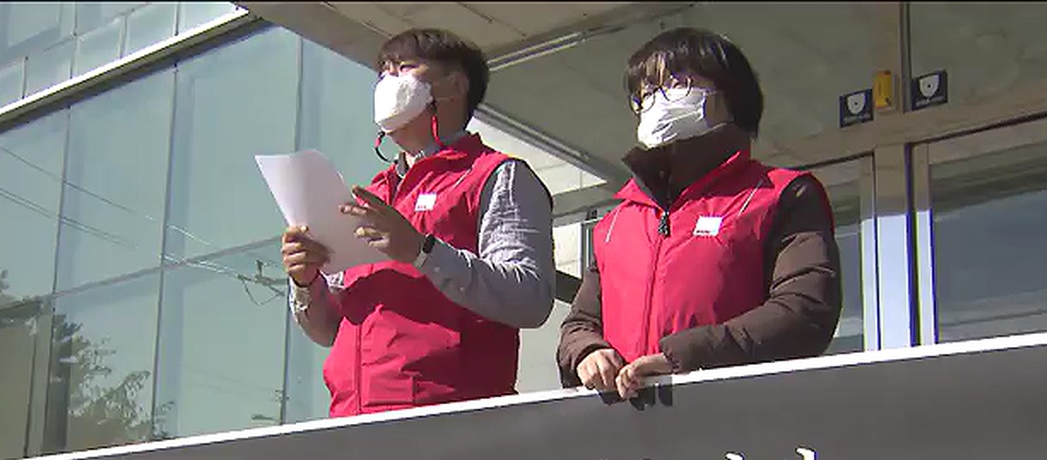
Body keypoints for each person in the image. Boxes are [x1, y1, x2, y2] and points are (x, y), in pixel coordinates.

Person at [281, 28, 556, 418]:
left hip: (449, 419)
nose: (388, 83)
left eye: (404, 68)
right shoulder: (370, 195)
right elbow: (328, 330)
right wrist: (306, 282)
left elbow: (529, 298)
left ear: (455, 85)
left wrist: (421, 251)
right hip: (350, 421)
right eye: (384, 73)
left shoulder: (496, 176)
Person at [556, 27, 842, 400]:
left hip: (738, 418)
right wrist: (586, 351)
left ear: (729, 94)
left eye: (676, 83)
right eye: (645, 94)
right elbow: (579, 323)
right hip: (624, 426)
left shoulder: (779, 195)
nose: (656, 101)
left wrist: (687, 356)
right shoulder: (615, 223)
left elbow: (804, 310)